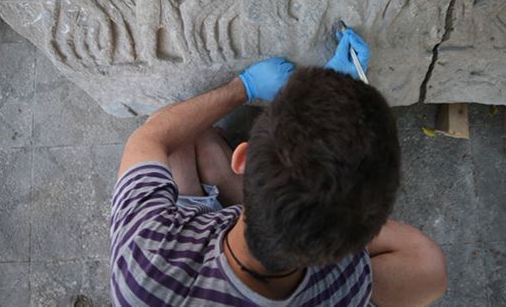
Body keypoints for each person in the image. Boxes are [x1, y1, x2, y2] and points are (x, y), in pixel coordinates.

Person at [111, 28, 447, 306]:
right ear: (365, 234)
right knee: (428, 267)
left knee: (178, 131)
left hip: (197, 247)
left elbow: (150, 137)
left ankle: (232, 189)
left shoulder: (144, 270)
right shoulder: (347, 283)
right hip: (307, 261)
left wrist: (243, 87)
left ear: (241, 158)